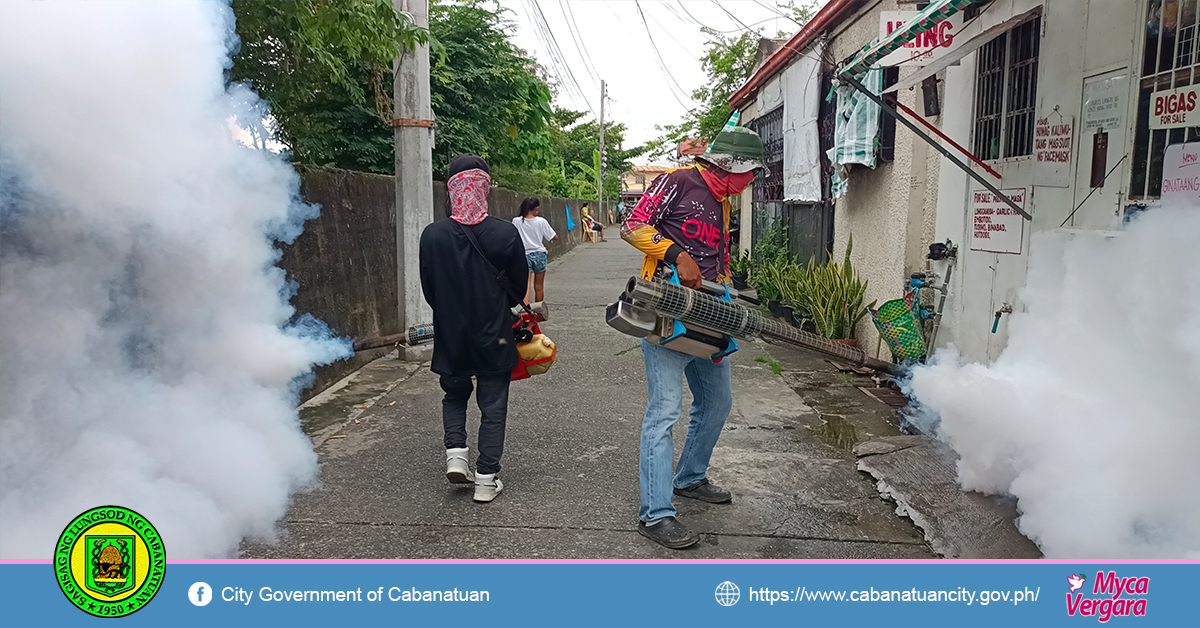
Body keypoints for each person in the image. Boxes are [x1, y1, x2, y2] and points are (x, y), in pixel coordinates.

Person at [620, 124, 765, 549]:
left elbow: (713, 256)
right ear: (730, 166)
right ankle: (655, 514)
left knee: (718, 401)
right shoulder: (677, 181)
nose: (752, 182)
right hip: (667, 309)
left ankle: (690, 477)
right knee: (664, 412)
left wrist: (725, 293)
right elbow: (632, 225)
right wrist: (676, 254)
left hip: (707, 312)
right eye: (750, 173)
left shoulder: (721, 201)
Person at [419, 154, 528, 503]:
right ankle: (485, 478)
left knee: (453, 394)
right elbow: (518, 286)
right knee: (493, 405)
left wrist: (452, 312)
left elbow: (429, 290)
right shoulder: (505, 233)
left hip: (451, 335)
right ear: (486, 186)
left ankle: (456, 455)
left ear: (451, 188)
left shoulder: (432, 235)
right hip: (493, 333)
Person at [512, 198, 558, 304]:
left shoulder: (516, 221)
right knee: (539, 287)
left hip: (524, 256)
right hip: (540, 255)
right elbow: (553, 236)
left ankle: (526, 313)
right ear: (536, 209)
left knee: (526, 288)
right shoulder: (541, 221)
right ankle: (538, 313)